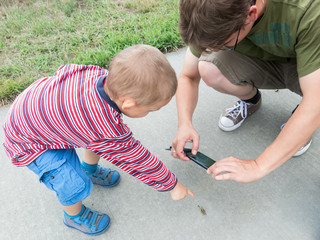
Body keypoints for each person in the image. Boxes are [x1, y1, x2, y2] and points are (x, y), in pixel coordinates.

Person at [3, 44, 194, 236]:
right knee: (73, 182)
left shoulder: (99, 76)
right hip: (29, 143)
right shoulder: (102, 124)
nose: (150, 113)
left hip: (35, 113)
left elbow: (64, 72)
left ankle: (90, 170)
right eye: (151, 109)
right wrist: (172, 184)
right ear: (128, 103)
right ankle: (73, 216)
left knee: (98, 141)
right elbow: (137, 159)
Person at [171, 0, 320, 183]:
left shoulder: (308, 11)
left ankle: (301, 124)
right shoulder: (208, 13)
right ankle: (251, 100)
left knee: (313, 103)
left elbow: (316, 102)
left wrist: (257, 166)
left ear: (251, 14)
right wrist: (184, 123)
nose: (215, 50)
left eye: (224, 43)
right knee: (209, 67)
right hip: (271, 60)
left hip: (310, 67)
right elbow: (188, 76)